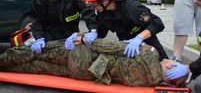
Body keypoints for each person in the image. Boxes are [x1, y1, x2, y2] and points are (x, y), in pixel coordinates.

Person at [0, 35, 187, 87]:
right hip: (87, 74)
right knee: (36, 67)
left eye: (174, 62)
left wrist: (84, 39)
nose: (171, 59)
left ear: (170, 66)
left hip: (83, 55)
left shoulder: (149, 54)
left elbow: (110, 47)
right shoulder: (148, 82)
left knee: (37, 51)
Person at [65, 0, 168, 61]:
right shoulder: (103, 14)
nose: (92, 5)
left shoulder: (131, 7)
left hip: (149, 45)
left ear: (105, 1)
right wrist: (80, 36)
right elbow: (99, 33)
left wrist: (139, 38)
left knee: (165, 72)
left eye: (94, 2)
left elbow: (157, 23)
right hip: (128, 50)